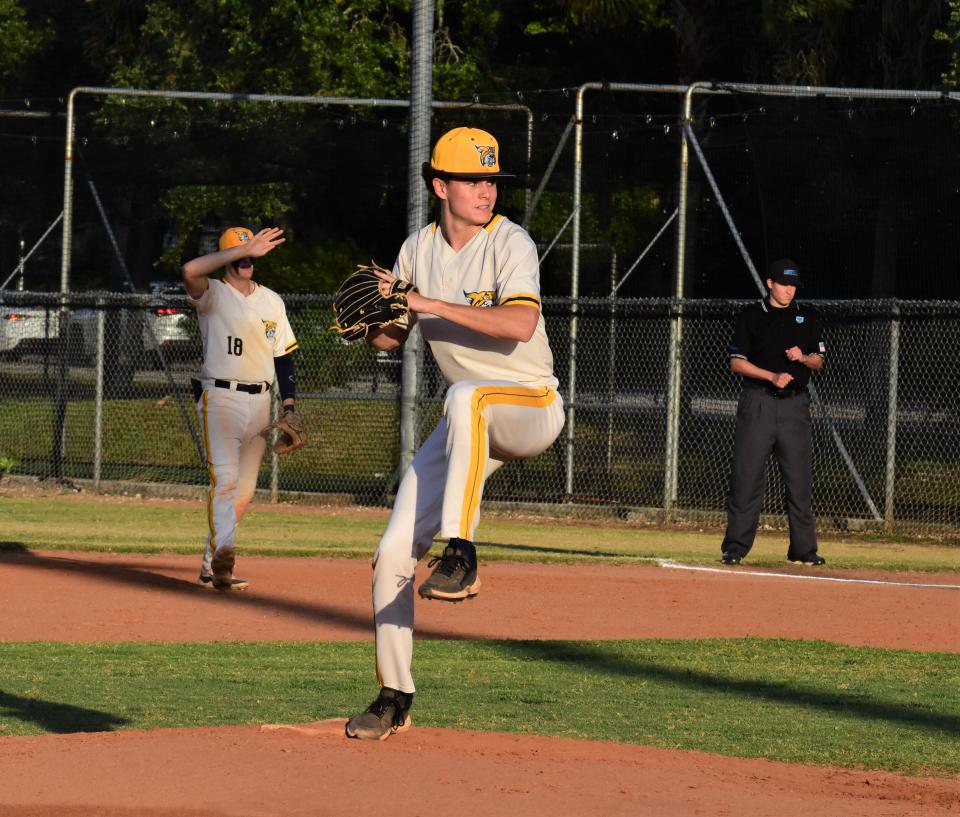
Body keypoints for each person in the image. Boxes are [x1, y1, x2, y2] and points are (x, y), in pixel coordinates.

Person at [344, 126, 565, 740]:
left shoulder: (510, 242)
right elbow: (392, 337)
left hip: (529, 406)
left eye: (492, 179)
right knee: (391, 552)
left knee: (465, 394)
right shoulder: (417, 249)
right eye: (472, 178)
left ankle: (460, 554)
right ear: (440, 185)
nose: (485, 190)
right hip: (468, 425)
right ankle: (393, 695)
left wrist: (428, 304)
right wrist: (376, 319)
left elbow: (520, 324)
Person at [182, 225, 300, 590]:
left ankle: (212, 565)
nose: (247, 258)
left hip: (261, 401)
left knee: (245, 491)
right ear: (228, 257)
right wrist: (238, 249)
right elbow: (189, 270)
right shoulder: (213, 293)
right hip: (221, 397)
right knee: (227, 480)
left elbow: (283, 358)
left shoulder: (271, 301)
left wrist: (291, 405)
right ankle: (226, 553)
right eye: (240, 253)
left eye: (251, 253)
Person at [721, 258, 826, 567]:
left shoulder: (806, 317)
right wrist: (771, 376)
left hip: (795, 407)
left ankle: (804, 550)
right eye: (783, 284)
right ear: (769, 283)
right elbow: (736, 362)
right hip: (759, 403)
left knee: (799, 479)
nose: (789, 290)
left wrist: (804, 357)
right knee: (747, 476)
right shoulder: (752, 315)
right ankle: (736, 547)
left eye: (793, 285)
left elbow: (819, 361)